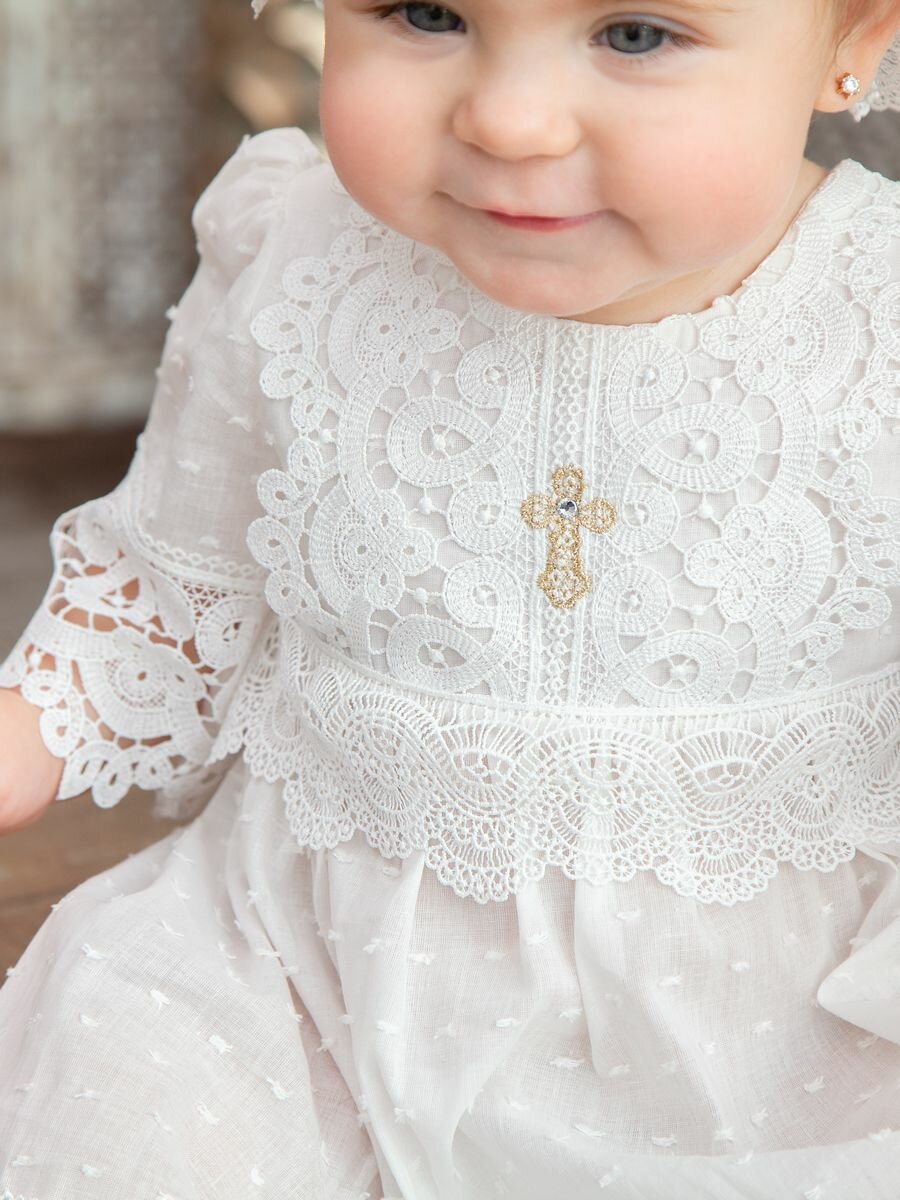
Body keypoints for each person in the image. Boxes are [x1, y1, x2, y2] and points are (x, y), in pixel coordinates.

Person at [1, 0, 900, 1195]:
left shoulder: (880, 318)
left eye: (636, 35)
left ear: (853, 45)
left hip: (768, 1042)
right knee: (125, 1104)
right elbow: (171, 585)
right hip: (299, 974)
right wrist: (33, 729)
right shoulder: (299, 258)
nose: (509, 122)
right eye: (426, 13)